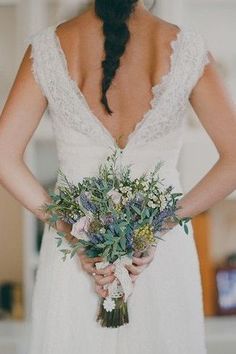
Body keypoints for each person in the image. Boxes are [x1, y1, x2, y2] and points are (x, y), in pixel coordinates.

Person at [0, 0, 236, 353]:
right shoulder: (186, 48)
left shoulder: (48, 48)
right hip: (158, 259)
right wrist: (161, 223)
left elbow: (4, 157)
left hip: (79, 258)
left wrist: (69, 229)